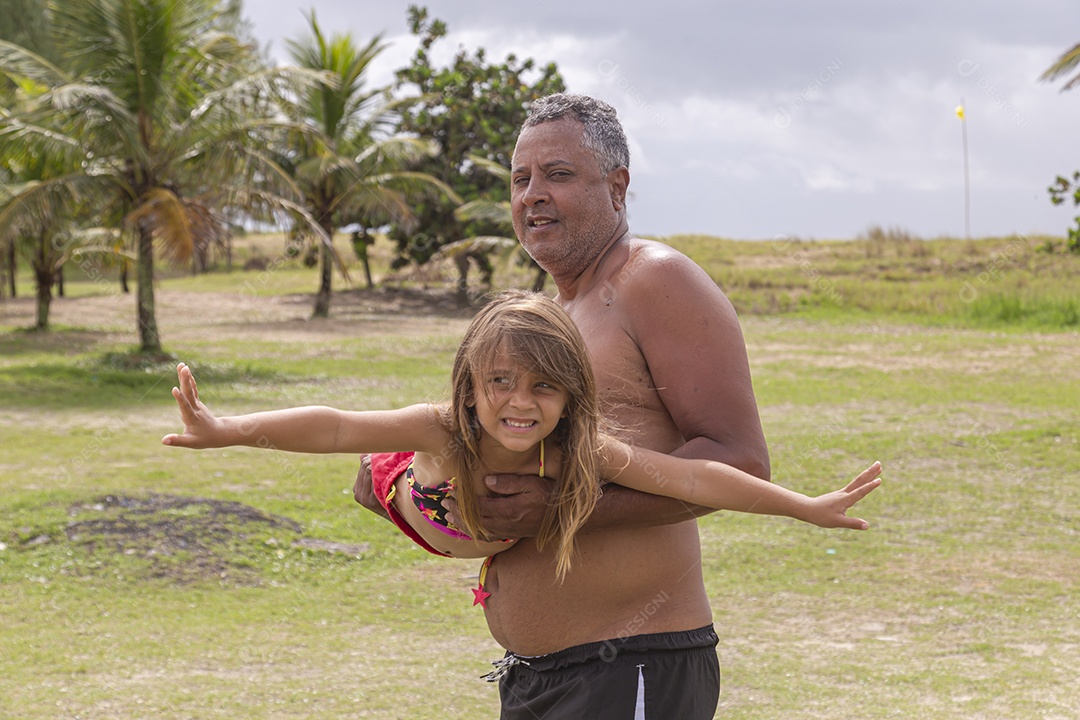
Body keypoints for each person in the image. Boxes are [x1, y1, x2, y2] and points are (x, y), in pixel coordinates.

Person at [350, 94, 878, 719]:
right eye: (520, 180)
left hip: (630, 667)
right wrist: (409, 495)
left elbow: (738, 459)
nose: (532, 195)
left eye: (559, 175)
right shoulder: (546, 318)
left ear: (618, 186)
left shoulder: (653, 280)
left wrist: (562, 513)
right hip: (540, 677)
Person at [163, 291, 880, 584]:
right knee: (380, 448)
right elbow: (338, 425)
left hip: (470, 527)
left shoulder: (580, 451)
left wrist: (800, 505)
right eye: (501, 382)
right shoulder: (444, 425)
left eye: (544, 388)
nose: (520, 403)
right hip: (415, 486)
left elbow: (693, 480)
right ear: (470, 385)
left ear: (572, 397)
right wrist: (226, 430)